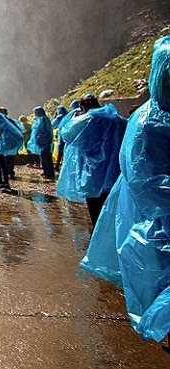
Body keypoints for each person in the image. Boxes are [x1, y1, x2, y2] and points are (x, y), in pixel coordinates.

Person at [81, 35, 170, 343]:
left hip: (115, 187)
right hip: (155, 219)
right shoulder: (145, 121)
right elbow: (147, 181)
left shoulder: (141, 118)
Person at [56, 94, 127, 229]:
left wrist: (74, 117)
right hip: (115, 173)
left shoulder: (87, 120)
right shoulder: (118, 120)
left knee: (95, 212)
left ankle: (97, 241)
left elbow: (66, 133)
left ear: (82, 107)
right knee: (114, 212)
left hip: (92, 175)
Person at [28, 107, 55, 179]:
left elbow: (38, 130)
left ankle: (47, 172)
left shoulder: (41, 119)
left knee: (44, 157)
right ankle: (48, 171)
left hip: (43, 141)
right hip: (45, 141)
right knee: (46, 157)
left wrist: (38, 139)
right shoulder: (45, 118)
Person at [0, 107, 23, 178]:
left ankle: (4, 172)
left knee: (3, 158)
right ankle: (10, 172)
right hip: (12, 142)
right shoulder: (12, 121)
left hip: (3, 142)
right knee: (11, 158)